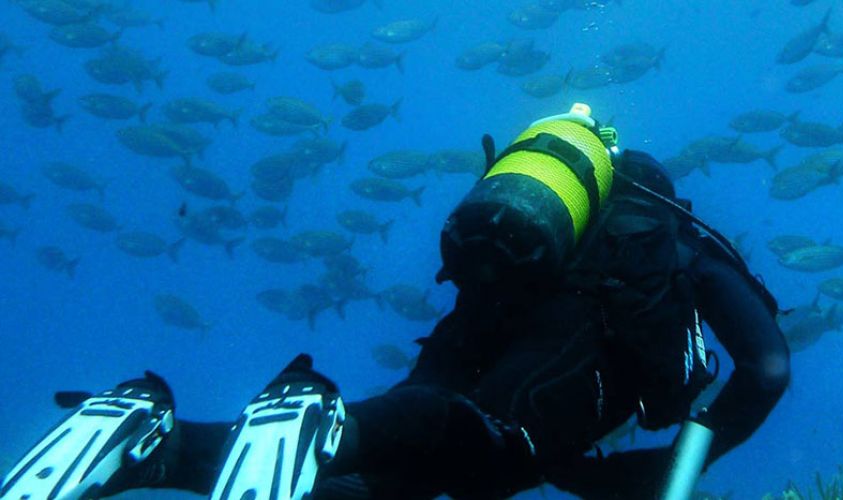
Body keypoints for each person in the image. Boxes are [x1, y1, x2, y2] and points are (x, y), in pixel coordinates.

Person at [1, 104, 790, 500]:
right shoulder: (676, 245)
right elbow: (768, 367)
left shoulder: (563, 245)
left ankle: (155, 442)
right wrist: (680, 461)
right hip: (562, 348)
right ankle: (323, 421)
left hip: (477, 320)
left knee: (386, 477)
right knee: (486, 450)